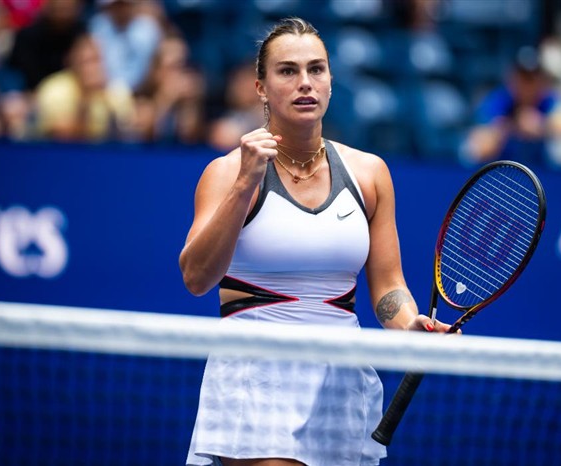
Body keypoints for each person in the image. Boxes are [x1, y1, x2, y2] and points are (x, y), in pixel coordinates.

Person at [179, 17, 453, 466]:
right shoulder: (227, 172)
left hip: (339, 379)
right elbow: (195, 277)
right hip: (255, 373)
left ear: (330, 81)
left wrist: (410, 325)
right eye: (288, 70)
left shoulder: (370, 174)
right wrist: (246, 183)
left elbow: (388, 287)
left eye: (316, 69)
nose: (305, 82)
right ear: (261, 87)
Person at [462, 46, 561, 167]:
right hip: (502, 171)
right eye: (523, 77)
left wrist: (542, 125)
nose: (527, 85)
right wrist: (513, 126)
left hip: (539, 170)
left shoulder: (547, 98)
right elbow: (479, 147)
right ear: (512, 77)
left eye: (531, 78)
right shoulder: (499, 99)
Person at [34, 33, 135, 142]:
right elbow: (59, 135)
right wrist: (86, 96)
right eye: (86, 61)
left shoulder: (117, 90)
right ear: (73, 62)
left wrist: (107, 98)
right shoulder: (54, 89)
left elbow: (126, 136)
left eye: (96, 60)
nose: (92, 68)